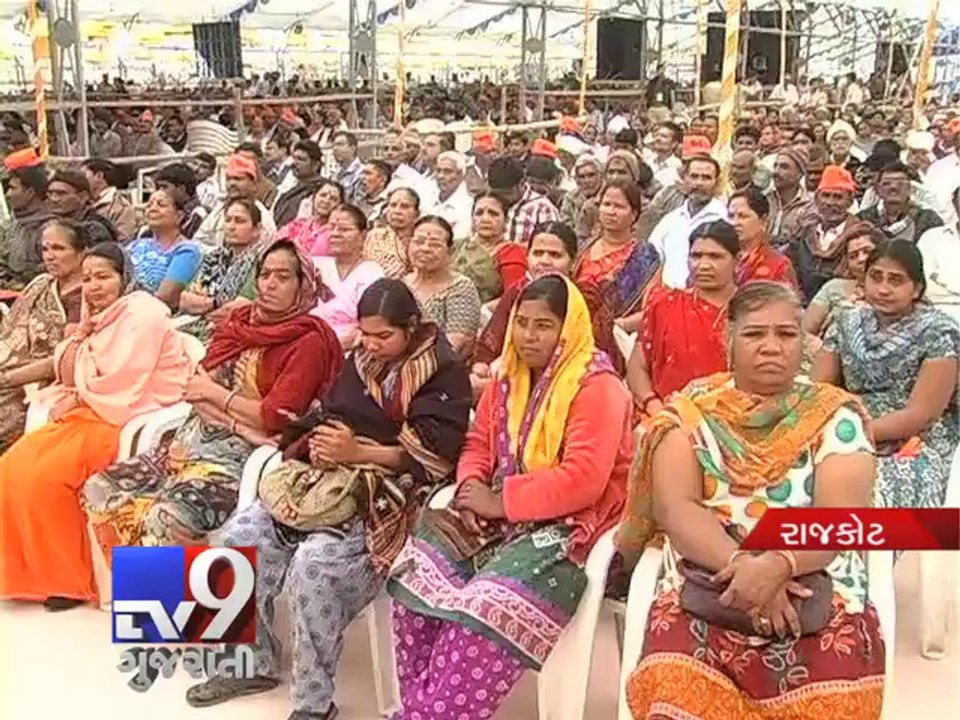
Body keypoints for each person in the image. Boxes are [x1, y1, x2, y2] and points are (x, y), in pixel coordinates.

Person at [185, 278, 471, 717]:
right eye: (366, 333)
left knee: (314, 564)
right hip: (326, 482)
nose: (371, 345)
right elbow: (331, 414)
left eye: (384, 336)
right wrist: (319, 443)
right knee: (243, 534)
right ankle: (250, 663)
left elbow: (436, 457)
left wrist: (359, 453)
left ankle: (313, 702)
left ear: (411, 327)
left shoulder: (442, 371)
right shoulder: (358, 361)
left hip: (389, 499)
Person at [618, 281, 885, 720]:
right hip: (710, 578)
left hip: (814, 581)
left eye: (786, 334)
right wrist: (746, 567)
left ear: (803, 342)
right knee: (675, 689)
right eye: (754, 334)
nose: (771, 347)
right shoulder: (690, 413)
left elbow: (839, 520)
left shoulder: (835, 415)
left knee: (832, 689)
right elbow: (678, 509)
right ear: (728, 339)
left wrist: (778, 564)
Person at [388, 275, 634, 720]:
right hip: (499, 513)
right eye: (521, 322)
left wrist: (499, 502)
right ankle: (420, 710)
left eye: (543, 325)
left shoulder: (598, 387)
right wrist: (469, 492)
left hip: (570, 527)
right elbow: (479, 443)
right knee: (417, 575)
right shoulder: (508, 377)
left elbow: (584, 479)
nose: (528, 336)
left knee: (485, 604)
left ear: (569, 328)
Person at [84, 239, 342, 554]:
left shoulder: (308, 342)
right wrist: (237, 418)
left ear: (303, 285)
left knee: (165, 517)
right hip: (186, 444)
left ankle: (176, 599)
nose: (270, 284)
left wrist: (216, 396)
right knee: (99, 488)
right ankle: (143, 595)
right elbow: (194, 389)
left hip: (237, 461)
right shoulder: (239, 322)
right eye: (264, 275)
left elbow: (274, 417)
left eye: (283, 277)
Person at [0, 242, 199, 610]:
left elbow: (125, 379)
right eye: (88, 278)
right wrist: (81, 333)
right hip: (96, 408)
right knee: (11, 467)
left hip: (126, 413)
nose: (93, 287)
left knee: (47, 478)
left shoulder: (145, 312)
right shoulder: (105, 316)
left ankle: (72, 582)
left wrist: (80, 393)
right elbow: (67, 367)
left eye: (103, 277)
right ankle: (35, 575)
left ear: (125, 278)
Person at [812, 240, 959, 509]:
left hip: (916, 440)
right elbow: (818, 389)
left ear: (917, 289)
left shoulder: (939, 332)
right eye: (876, 277)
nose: (883, 289)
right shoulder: (847, 321)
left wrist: (853, 434)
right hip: (845, 429)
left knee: (877, 488)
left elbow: (922, 414)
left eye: (896, 280)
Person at [626, 220, 738, 415]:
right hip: (665, 418)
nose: (703, 265)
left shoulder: (750, 311)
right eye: (696, 256)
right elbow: (637, 367)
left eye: (715, 257)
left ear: (737, 260)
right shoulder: (664, 305)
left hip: (731, 424)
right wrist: (655, 407)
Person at [0, 220, 91, 450]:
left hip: (42, 383)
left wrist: (7, 379)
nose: (49, 256)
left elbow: (64, 359)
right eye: (45, 249)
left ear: (81, 253)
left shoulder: (85, 298)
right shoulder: (41, 284)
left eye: (59, 249)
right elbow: (11, 332)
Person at [574, 181, 662, 339]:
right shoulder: (584, 248)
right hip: (574, 334)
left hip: (618, 340)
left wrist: (621, 325)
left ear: (634, 214)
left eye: (619, 206)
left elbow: (653, 310)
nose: (611, 211)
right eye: (606, 204)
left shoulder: (645, 256)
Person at [177, 198, 267, 341]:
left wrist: (202, 305)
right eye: (228, 220)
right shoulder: (214, 258)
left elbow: (239, 308)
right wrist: (215, 303)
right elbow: (184, 301)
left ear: (256, 229)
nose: (231, 226)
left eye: (239, 221)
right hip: (191, 324)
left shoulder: (262, 261)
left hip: (229, 333)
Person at [404, 215, 482, 359]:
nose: (425, 249)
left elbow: (458, 344)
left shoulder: (461, 287)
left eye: (435, 244)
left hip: (441, 369)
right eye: (419, 242)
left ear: (450, 251)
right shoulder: (402, 284)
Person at [647, 153, 727, 288]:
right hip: (666, 299)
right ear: (684, 179)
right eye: (694, 176)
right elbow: (651, 258)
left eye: (706, 178)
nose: (699, 183)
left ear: (716, 183)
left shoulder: (725, 219)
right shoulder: (671, 219)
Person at [312, 205, 386, 348]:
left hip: (347, 349)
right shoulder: (316, 265)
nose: (335, 234)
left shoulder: (371, 273)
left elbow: (370, 323)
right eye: (331, 228)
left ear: (363, 235)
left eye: (344, 229)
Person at [787, 165, 859, 302]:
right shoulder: (803, 232)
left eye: (838, 197)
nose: (830, 203)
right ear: (816, 199)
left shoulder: (859, 234)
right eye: (825, 195)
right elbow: (791, 270)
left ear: (849, 202)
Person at [129, 188, 203, 309]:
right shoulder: (135, 245)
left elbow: (166, 297)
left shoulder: (186, 251)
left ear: (179, 216)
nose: (153, 209)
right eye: (149, 205)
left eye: (161, 205)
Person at [802, 224, 881, 336]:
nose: (861, 259)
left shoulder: (891, 293)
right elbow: (805, 333)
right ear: (847, 264)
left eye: (867, 251)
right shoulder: (833, 288)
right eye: (853, 256)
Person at [453, 193, 527, 303]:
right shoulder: (456, 246)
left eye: (493, 214)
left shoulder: (511, 252)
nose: (485, 219)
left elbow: (513, 298)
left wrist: (481, 311)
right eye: (479, 213)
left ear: (506, 220)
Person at [194, 154, 277, 247]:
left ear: (254, 184)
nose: (231, 184)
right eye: (228, 179)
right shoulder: (219, 210)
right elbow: (198, 242)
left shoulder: (262, 217)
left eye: (238, 179)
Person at [856, 160, 944, 243]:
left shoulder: (928, 219)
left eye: (900, 183)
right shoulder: (864, 218)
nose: (893, 187)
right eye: (887, 183)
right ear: (878, 190)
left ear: (910, 188)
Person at [729, 186, 798, 288]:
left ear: (763, 221)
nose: (734, 223)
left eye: (742, 216)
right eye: (730, 216)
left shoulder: (778, 265)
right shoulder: (722, 258)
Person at [0, 163, 55, 289]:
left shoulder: (51, 229)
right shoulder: (12, 226)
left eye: (13, 189)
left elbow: (50, 271)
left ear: (30, 192)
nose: (8, 194)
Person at [488, 156, 560, 245]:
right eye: (498, 193)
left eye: (507, 193)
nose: (503, 197)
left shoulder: (542, 208)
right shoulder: (488, 204)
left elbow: (550, 245)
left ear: (521, 183)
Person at [275, 179, 344, 258]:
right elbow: (275, 244)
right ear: (313, 198)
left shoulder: (332, 234)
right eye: (323, 195)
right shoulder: (299, 223)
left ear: (339, 206)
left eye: (333, 199)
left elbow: (311, 262)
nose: (326, 201)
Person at [364, 187, 419, 279]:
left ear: (416, 213)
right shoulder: (374, 236)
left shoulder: (421, 241)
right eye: (393, 205)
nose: (397, 211)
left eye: (404, 206)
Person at [272, 140, 326, 228]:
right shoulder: (288, 182)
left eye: (301, 159)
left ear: (316, 165)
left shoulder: (321, 189)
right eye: (294, 158)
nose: (294, 163)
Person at [83, 158, 137, 243]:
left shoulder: (121, 207)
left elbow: (124, 242)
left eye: (84, 175)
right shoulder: (81, 201)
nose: (80, 179)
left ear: (99, 175)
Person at [427, 151, 473, 242]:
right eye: (438, 171)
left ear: (460, 175)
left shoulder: (468, 206)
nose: (441, 176)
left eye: (447, 171)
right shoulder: (427, 199)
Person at [560, 154, 603, 247]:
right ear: (577, 180)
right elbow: (566, 229)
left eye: (591, 175)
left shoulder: (609, 195)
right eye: (582, 177)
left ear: (600, 175)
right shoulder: (570, 198)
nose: (586, 181)